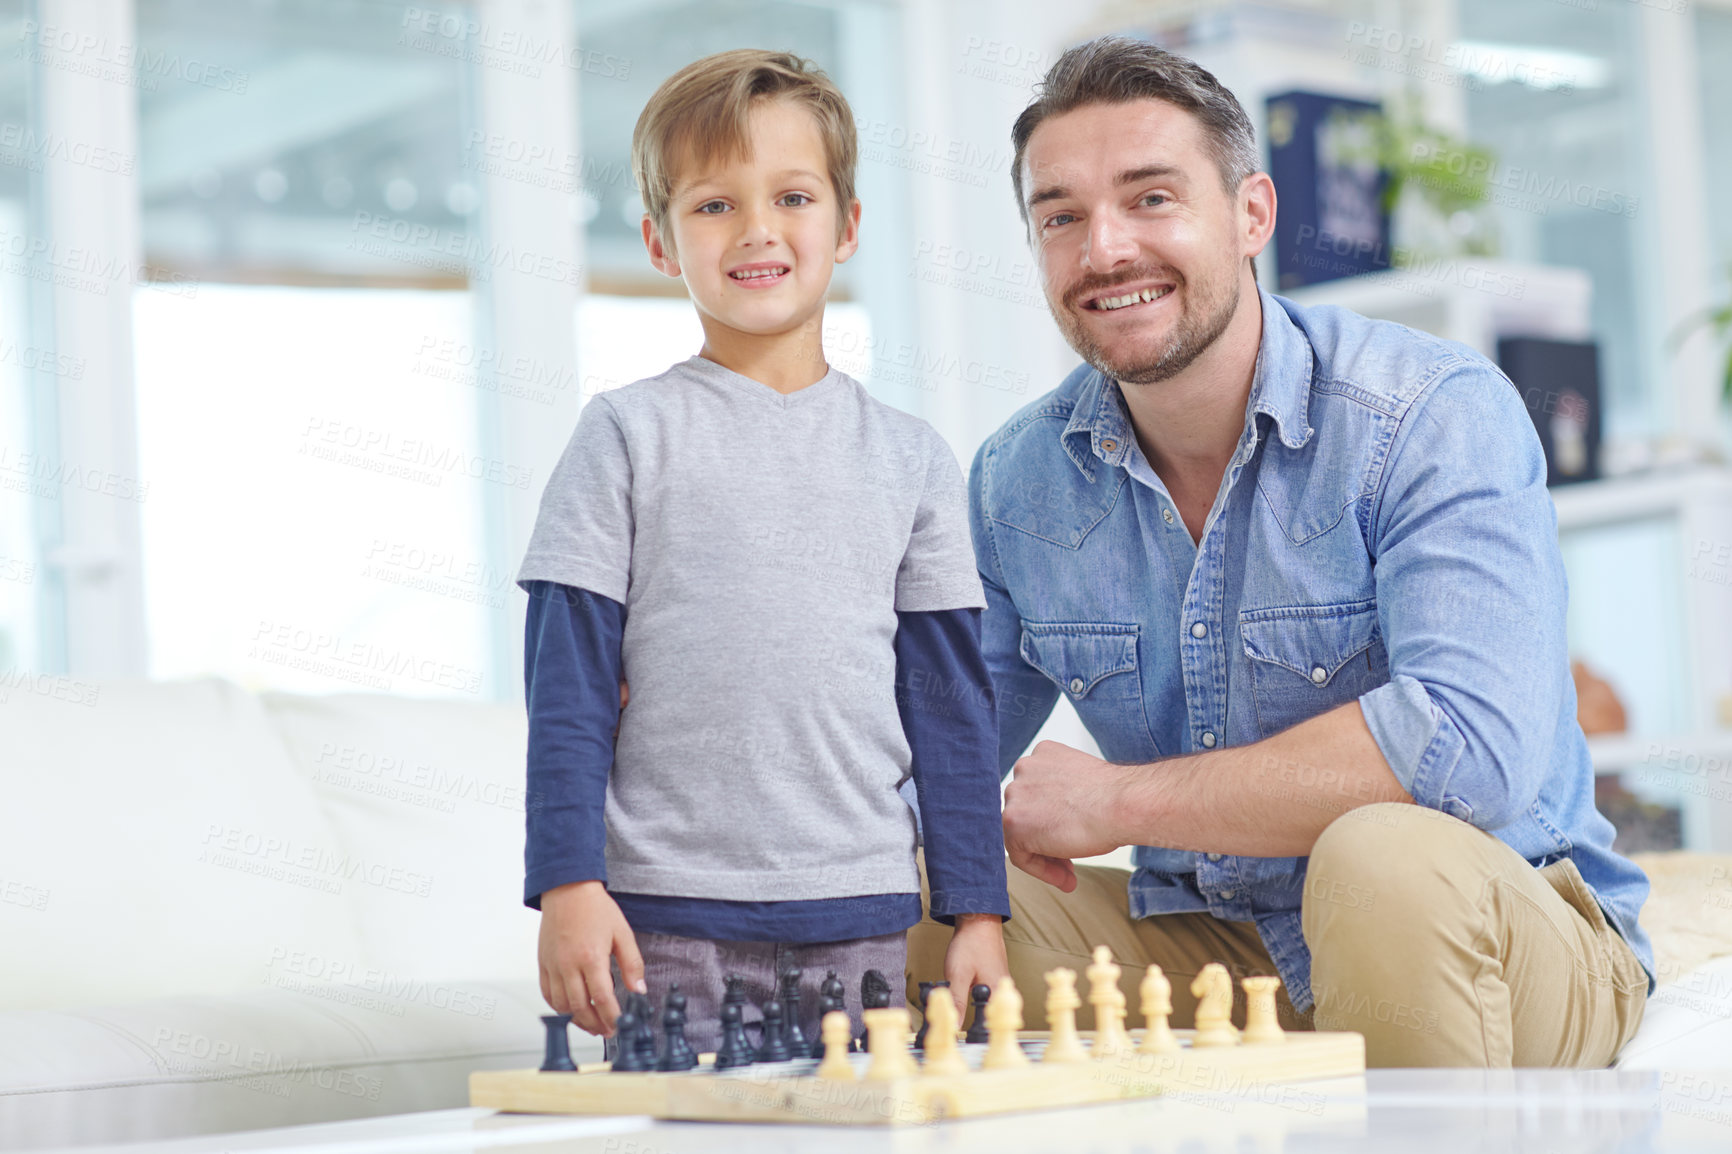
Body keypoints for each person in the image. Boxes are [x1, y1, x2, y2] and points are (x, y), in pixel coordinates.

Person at [906, 36, 1653, 1067]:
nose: (1105, 249)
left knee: (1377, 855)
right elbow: (932, 757)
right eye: (1061, 216)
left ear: (1250, 213)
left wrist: (1119, 801)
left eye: (1151, 198)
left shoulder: (1428, 411)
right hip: (1216, 945)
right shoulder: (1014, 479)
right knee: (900, 884)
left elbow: (1472, 750)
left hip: (1496, 927)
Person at [515, 48, 1009, 1055]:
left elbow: (951, 709)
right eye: (712, 205)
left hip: (865, 919)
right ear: (659, 241)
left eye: (791, 195)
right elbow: (564, 686)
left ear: (847, 225)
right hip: (666, 920)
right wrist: (567, 881)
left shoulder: (914, 458)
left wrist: (977, 913)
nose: (756, 230)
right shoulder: (620, 434)